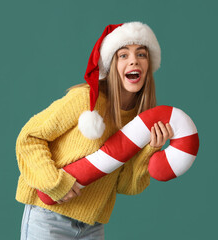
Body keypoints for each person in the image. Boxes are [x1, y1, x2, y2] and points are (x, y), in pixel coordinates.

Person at [15, 21, 174, 240]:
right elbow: (29, 138)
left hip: (92, 226)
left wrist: (151, 149)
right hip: (49, 218)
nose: (134, 60)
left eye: (141, 54)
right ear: (111, 63)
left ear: (149, 65)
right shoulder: (85, 100)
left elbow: (127, 186)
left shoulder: (139, 123)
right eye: (123, 55)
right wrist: (54, 183)